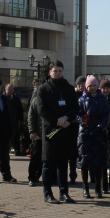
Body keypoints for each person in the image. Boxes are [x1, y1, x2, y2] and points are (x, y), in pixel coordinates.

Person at [34, 61, 79, 204]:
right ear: (50, 72)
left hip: (66, 130)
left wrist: (66, 117)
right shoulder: (43, 90)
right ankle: (48, 194)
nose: (58, 73)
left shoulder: (69, 88)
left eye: (60, 71)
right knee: (48, 163)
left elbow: (75, 107)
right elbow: (42, 110)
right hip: (50, 131)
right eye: (55, 71)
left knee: (63, 163)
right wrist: (56, 120)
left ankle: (63, 193)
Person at [77, 75, 110, 199]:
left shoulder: (103, 99)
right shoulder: (82, 99)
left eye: (94, 85)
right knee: (85, 162)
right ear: (87, 86)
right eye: (90, 86)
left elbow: (106, 115)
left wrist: (100, 127)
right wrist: (85, 124)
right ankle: (85, 188)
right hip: (85, 134)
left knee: (99, 163)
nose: (93, 88)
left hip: (99, 133)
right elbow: (79, 114)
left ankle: (98, 188)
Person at [27, 78, 43, 186]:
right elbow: (31, 117)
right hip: (38, 134)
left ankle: (47, 177)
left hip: (50, 134)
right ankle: (32, 177)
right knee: (35, 157)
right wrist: (32, 131)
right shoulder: (35, 101)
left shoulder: (50, 100)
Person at [4, 84, 25, 156]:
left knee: (16, 136)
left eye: (11, 89)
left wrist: (20, 119)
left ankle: (17, 151)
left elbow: (20, 110)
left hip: (15, 120)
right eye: (8, 89)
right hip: (6, 121)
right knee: (6, 137)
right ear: (5, 90)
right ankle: (6, 151)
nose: (10, 91)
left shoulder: (16, 99)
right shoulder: (3, 98)